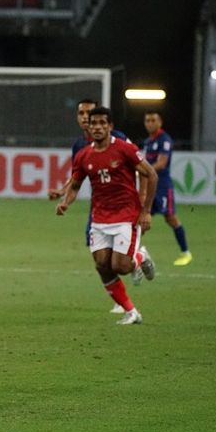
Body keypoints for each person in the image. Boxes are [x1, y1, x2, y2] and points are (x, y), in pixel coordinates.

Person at [56, 107, 158, 325]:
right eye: (94, 123)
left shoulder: (124, 149)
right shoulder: (84, 155)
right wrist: (65, 203)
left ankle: (140, 257)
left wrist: (146, 211)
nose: (98, 127)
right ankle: (131, 311)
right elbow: (75, 185)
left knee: (120, 266)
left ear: (110, 126)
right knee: (102, 265)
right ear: (89, 127)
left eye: (103, 123)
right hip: (100, 219)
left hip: (126, 216)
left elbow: (151, 174)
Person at [48, 98, 135, 314]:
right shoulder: (79, 145)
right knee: (99, 258)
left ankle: (136, 257)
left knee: (118, 262)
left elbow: (136, 161)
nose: (85, 117)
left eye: (89, 113)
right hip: (100, 207)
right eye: (81, 113)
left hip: (123, 206)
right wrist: (63, 192)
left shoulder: (118, 140)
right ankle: (120, 299)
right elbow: (77, 176)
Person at [142, 110, 193, 266]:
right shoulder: (147, 142)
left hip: (163, 186)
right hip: (151, 186)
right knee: (141, 218)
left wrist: (145, 170)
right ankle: (133, 253)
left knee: (170, 218)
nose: (150, 123)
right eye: (147, 120)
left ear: (160, 122)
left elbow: (162, 163)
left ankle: (186, 253)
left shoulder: (165, 140)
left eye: (153, 120)